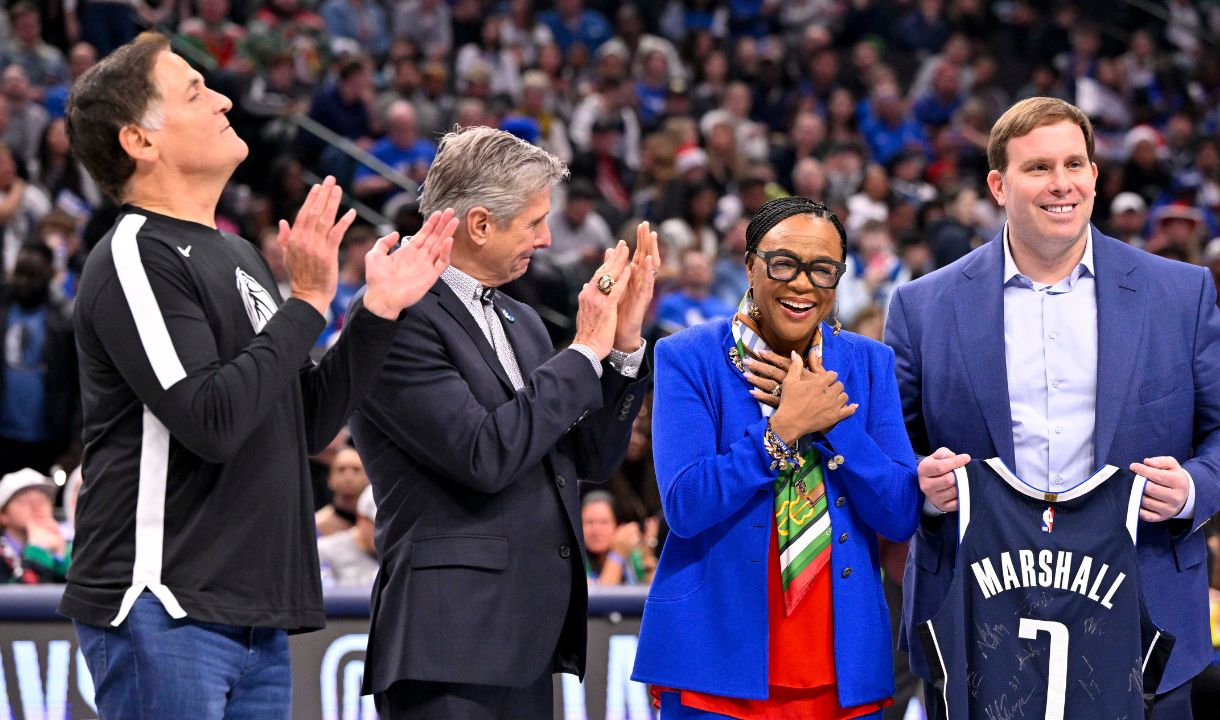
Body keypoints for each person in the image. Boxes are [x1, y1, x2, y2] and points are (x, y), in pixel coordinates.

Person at [59, 33, 455, 720]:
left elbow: (304, 421)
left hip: (253, 611)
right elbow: (211, 420)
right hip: (163, 602)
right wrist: (304, 301)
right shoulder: (134, 255)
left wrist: (377, 310)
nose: (223, 99)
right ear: (139, 141)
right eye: (194, 92)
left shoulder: (235, 252)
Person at [885, 96, 1220, 719]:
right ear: (998, 185)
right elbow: (890, 446)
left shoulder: (1179, 291)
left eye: (1075, 164)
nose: (1061, 183)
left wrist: (1195, 486)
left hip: (1146, 609)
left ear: (1094, 174)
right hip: (977, 618)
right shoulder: (923, 305)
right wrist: (920, 481)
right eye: (1038, 168)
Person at [348, 124, 658, 719]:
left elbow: (587, 460)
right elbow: (485, 454)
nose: (546, 240)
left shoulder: (524, 319)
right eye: (534, 222)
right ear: (480, 224)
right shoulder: (397, 315)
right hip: (448, 639)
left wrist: (619, 349)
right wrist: (584, 350)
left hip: (526, 636)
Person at [633, 197, 920, 717]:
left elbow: (899, 514)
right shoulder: (689, 357)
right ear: (750, 265)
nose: (802, 284)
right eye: (783, 263)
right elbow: (685, 506)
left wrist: (835, 424)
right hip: (714, 667)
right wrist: (782, 432)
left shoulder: (869, 364)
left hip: (842, 669)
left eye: (823, 269)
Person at [0, 242, 79, 477]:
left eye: (32, 277)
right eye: (20, 275)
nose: (24, 283)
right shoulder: (3, 312)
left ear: (48, 276)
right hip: (3, 435)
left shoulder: (63, 324)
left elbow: (76, 387)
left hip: (47, 439)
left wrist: (76, 442)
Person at [0, 467, 70, 583]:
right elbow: (17, 600)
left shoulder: (71, 547)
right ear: (3, 515)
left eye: (42, 500)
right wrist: (37, 551)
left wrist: (63, 557)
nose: (36, 506)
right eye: (24, 501)